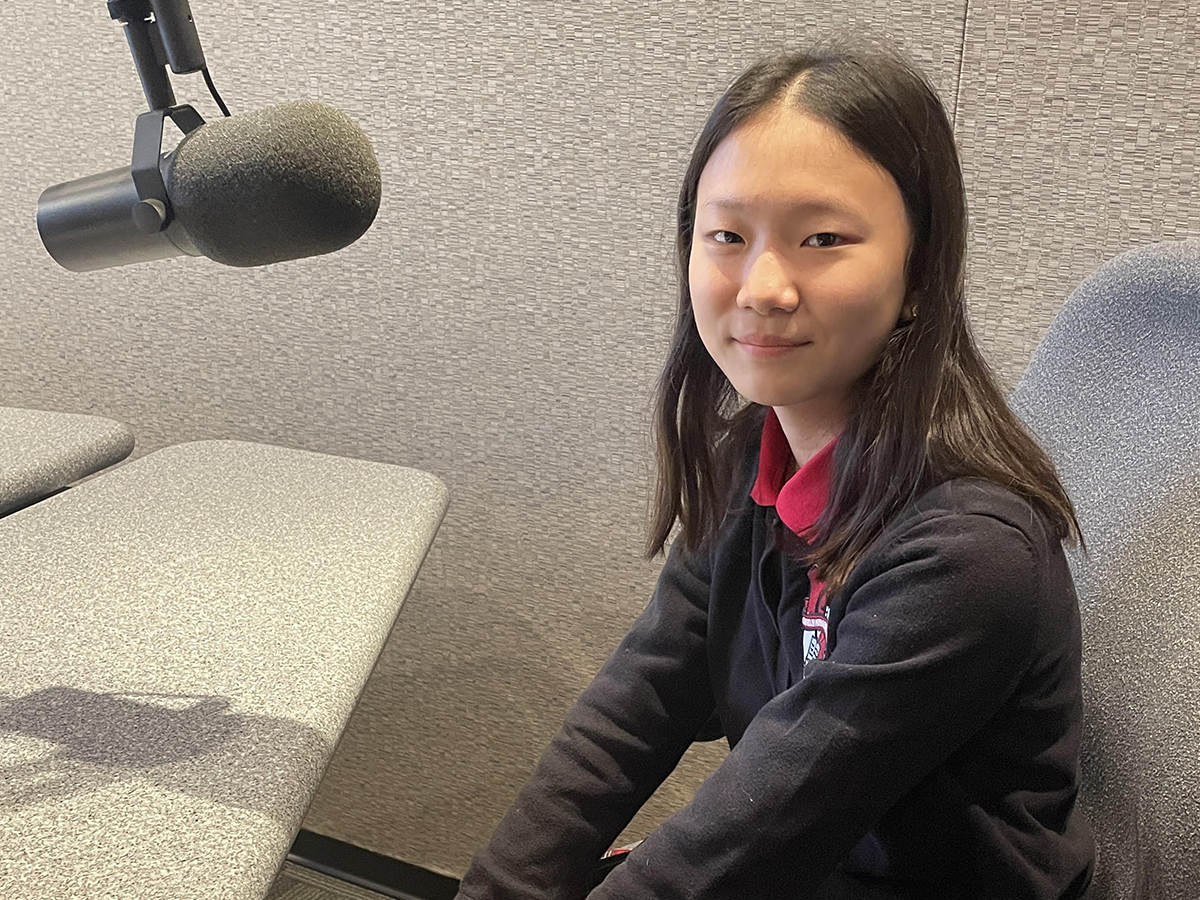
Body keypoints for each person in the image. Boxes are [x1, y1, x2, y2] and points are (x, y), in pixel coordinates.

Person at [455, 40, 1096, 899]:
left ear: (918, 271)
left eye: (821, 238)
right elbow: (627, 717)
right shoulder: (746, 466)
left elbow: (757, 830)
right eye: (727, 236)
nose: (762, 284)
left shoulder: (968, 557)